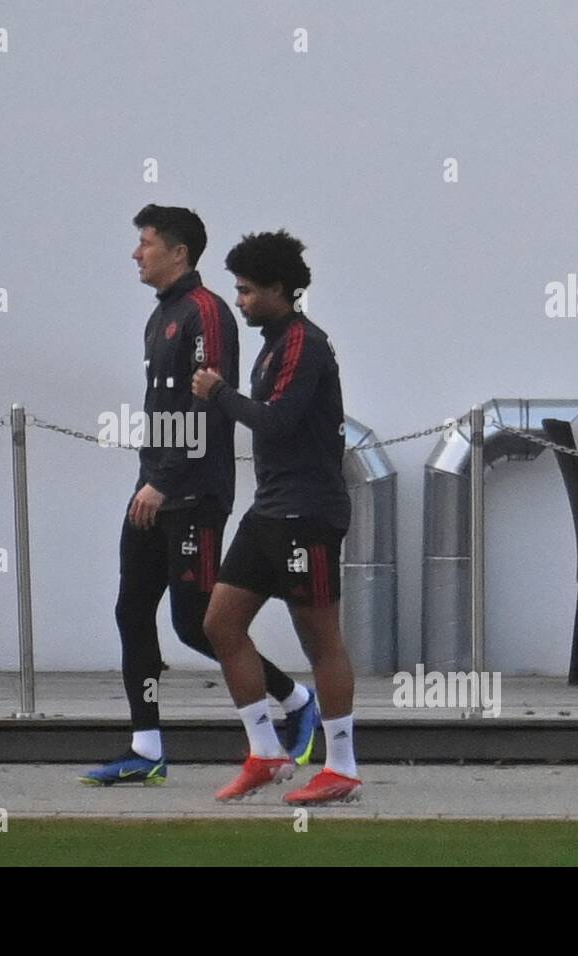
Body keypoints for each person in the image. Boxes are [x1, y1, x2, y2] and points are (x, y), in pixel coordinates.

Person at [80, 207, 318, 786]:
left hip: (192, 496)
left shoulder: (207, 313)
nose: (137, 254)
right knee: (131, 609)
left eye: (145, 243)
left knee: (198, 625)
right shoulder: (161, 316)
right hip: (153, 489)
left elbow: (206, 406)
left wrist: (164, 481)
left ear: (179, 252)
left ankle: (295, 701)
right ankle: (146, 747)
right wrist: (148, 478)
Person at [190, 229, 360, 805]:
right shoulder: (275, 340)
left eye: (246, 291)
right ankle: (265, 751)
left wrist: (218, 393)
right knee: (219, 624)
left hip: (307, 515)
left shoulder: (302, 344)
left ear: (280, 289)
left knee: (321, 642)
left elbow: (278, 420)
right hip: (269, 512)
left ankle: (341, 767)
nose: (239, 301)